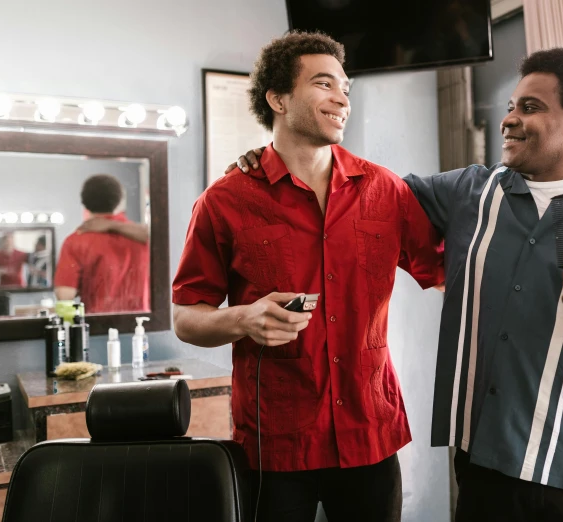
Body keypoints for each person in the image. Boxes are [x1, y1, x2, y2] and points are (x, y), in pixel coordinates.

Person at [232, 47, 563, 522]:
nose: (510, 119)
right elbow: (358, 191)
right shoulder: (469, 192)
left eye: (531, 108)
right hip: (484, 471)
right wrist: (277, 155)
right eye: (512, 106)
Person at [172, 32, 443, 522]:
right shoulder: (224, 201)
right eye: (324, 84)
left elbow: (446, 272)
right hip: (276, 443)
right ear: (278, 99)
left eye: (346, 88)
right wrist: (244, 319)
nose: (342, 99)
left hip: (370, 432)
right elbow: (186, 318)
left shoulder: (386, 190)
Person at [54, 173, 150, 313]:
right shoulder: (142, 238)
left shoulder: (75, 240)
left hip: (97, 327)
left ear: (84, 202)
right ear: (118, 201)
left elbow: (65, 296)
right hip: (144, 325)